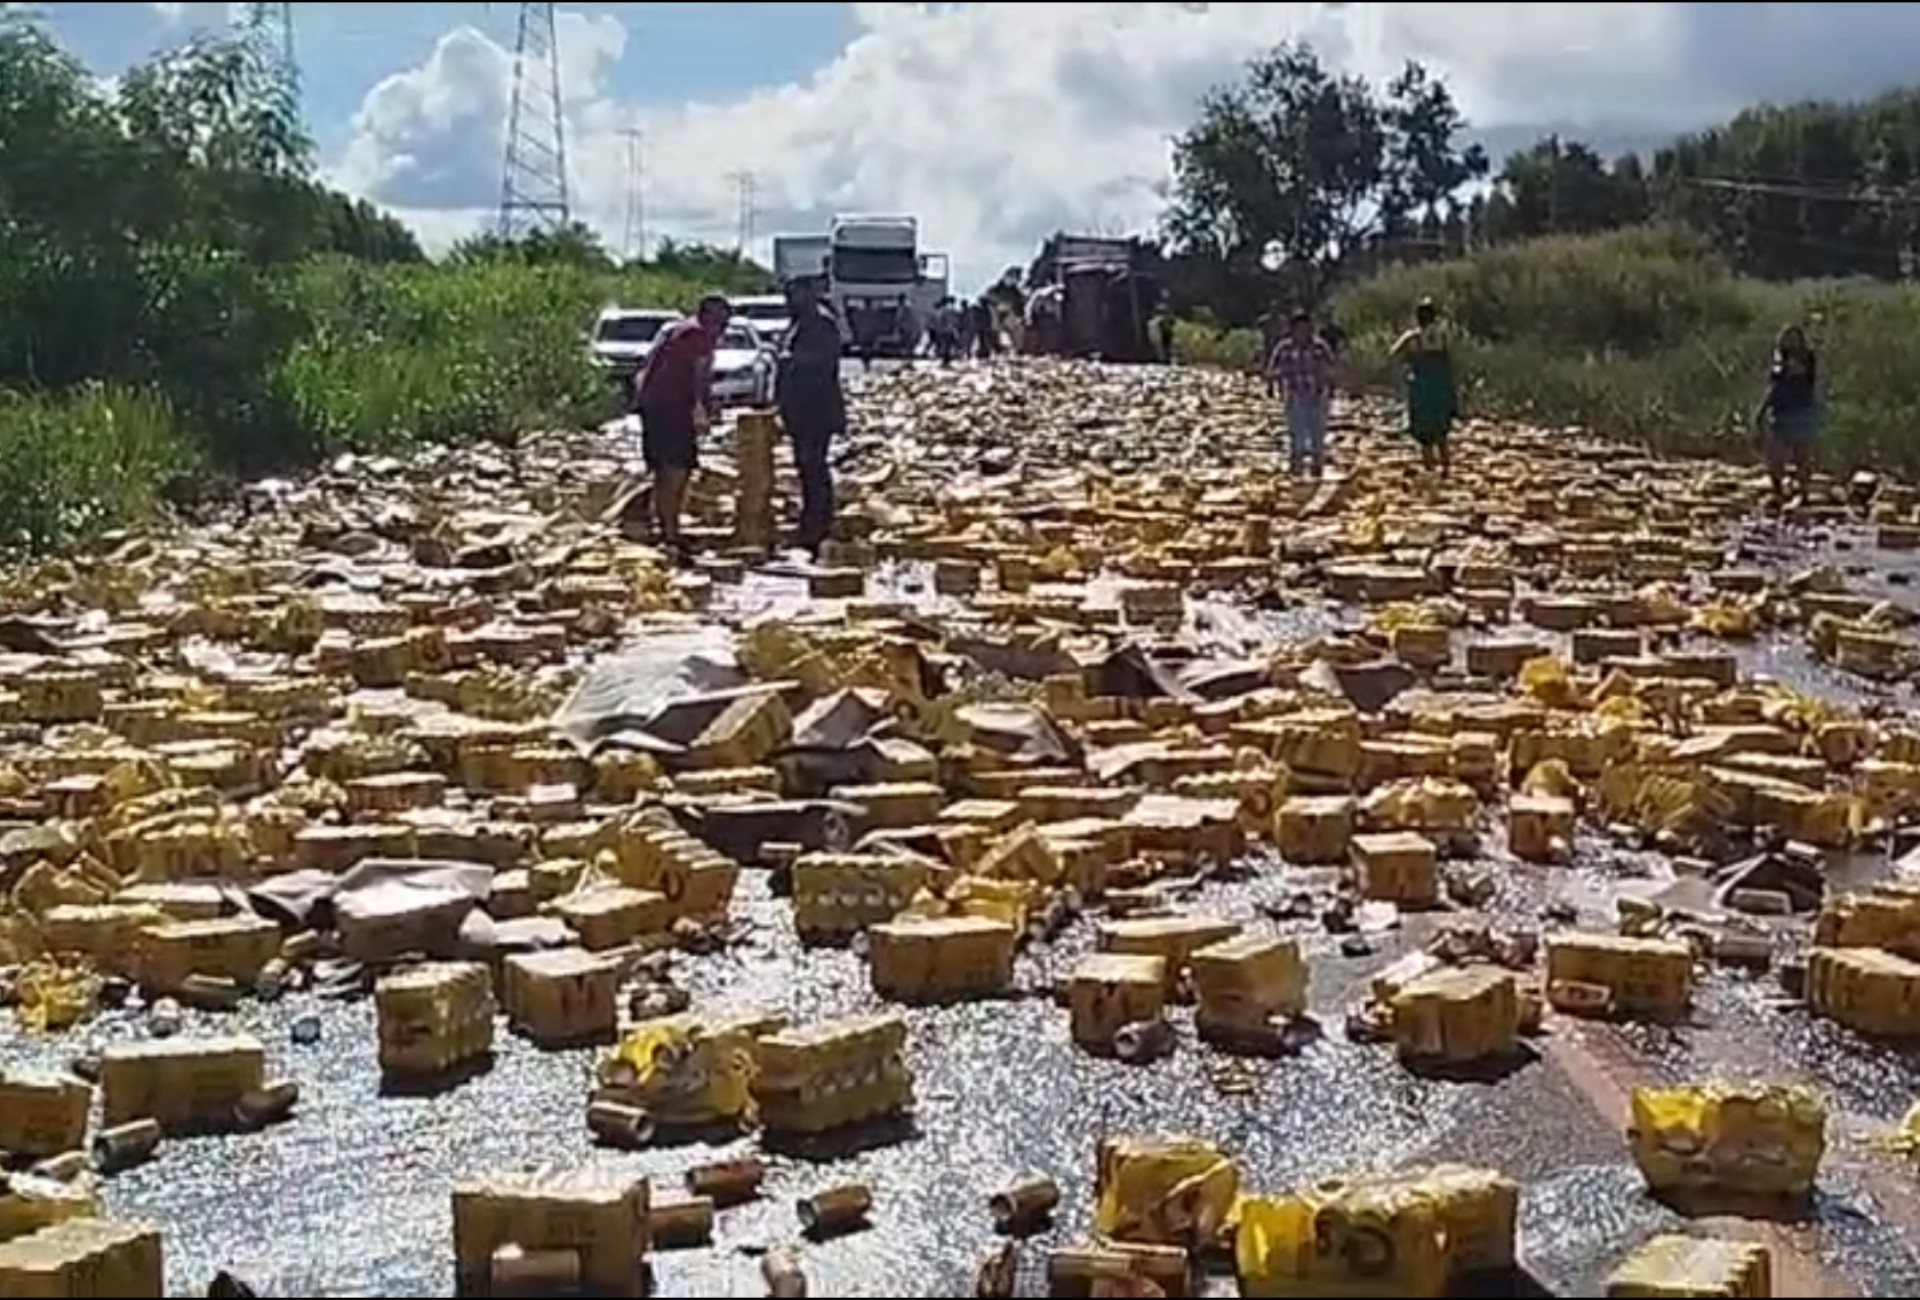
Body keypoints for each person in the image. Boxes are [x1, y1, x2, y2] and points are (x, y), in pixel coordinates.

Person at [632, 292, 730, 564]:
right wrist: (704, 410)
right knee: (676, 469)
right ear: (711, 317)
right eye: (722, 321)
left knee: (664, 468)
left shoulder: (677, 330)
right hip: (670, 407)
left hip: (653, 405)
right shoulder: (699, 336)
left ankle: (663, 526)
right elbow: (700, 377)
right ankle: (670, 531)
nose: (724, 329)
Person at [777, 277, 846, 557]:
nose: (790, 302)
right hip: (799, 410)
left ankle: (817, 527)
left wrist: (788, 361)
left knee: (814, 466)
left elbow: (821, 364)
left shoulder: (822, 325)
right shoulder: (798, 325)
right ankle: (810, 523)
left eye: (794, 296)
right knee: (806, 469)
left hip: (816, 408)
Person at [1264, 308, 1338, 479]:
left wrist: (1331, 390)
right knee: (1297, 434)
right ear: (1292, 329)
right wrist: (1271, 386)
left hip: (1318, 396)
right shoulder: (1284, 348)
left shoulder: (1320, 347)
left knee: (1317, 435)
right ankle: (1296, 472)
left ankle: (1316, 470)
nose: (1302, 333)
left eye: (1306, 328)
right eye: (1299, 329)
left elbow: (1331, 370)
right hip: (1294, 396)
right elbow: (1272, 369)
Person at [1389, 297, 1459, 478]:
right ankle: (1446, 469)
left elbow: (1394, 354)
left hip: (1421, 387)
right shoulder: (1442, 336)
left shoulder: (1413, 337)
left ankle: (1430, 470)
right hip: (1441, 386)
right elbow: (1449, 361)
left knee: (1424, 433)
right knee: (1441, 431)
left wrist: (1408, 363)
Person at [1757, 322, 1819, 507]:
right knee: (1775, 456)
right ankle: (1777, 490)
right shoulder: (1779, 359)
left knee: (1801, 455)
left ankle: (1804, 492)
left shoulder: (1807, 358)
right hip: (1781, 411)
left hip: (1801, 411)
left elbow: (1800, 374)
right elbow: (1773, 387)